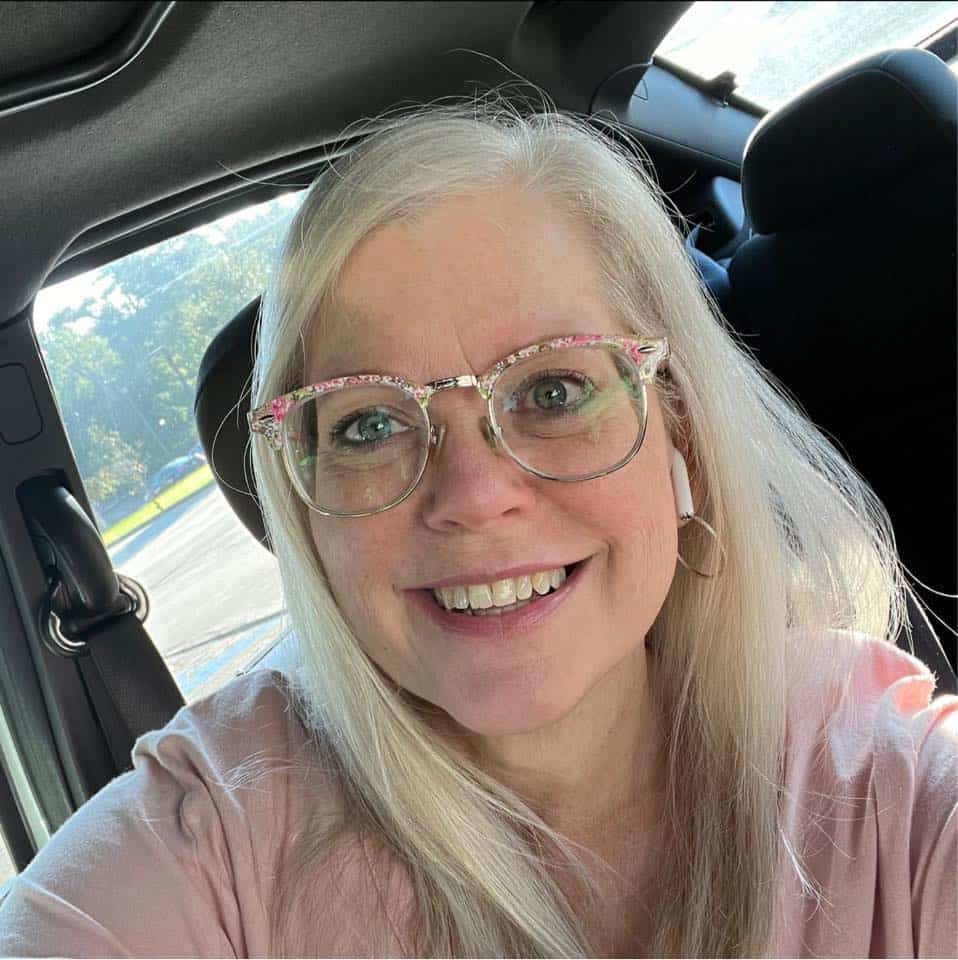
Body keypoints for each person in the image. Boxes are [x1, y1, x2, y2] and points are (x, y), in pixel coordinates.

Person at [0, 99, 955, 959]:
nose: (471, 494)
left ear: (685, 439)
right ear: (303, 511)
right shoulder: (210, 847)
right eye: (368, 423)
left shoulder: (892, 783)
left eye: (554, 389)